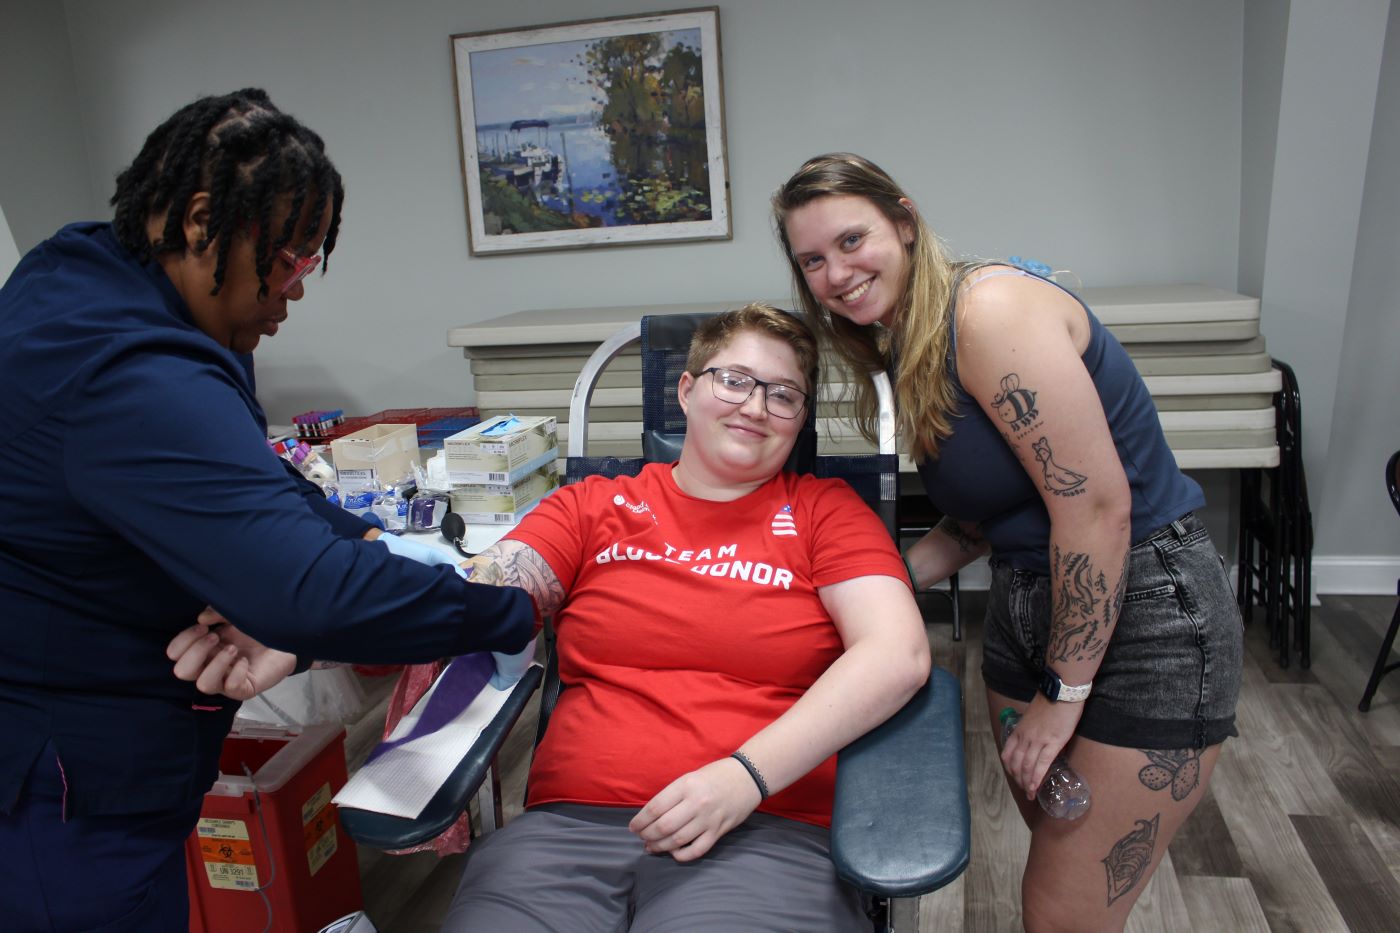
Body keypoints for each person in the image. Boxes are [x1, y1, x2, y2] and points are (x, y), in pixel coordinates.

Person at [0, 89, 536, 931]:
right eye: (287, 261)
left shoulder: (92, 273)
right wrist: (502, 611)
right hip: (65, 790)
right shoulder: (131, 369)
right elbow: (308, 593)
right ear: (200, 221)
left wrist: (368, 536)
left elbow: (256, 485)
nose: (294, 291)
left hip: (112, 744)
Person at [773, 153, 1244, 931]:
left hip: (1144, 613)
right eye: (813, 260)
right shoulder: (911, 340)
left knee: (1061, 915)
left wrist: (1064, 694)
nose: (837, 273)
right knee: (1067, 863)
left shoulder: (988, 311)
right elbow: (988, 514)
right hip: (1026, 605)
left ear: (904, 220)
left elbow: (1096, 508)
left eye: (852, 240)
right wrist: (862, 588)